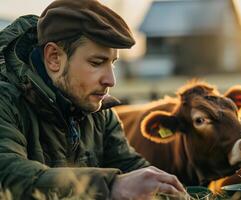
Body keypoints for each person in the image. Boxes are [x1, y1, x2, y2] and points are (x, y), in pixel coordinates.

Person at [0, 0, 186, 199]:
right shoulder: (6, 103)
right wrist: (111, 185)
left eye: (112, 63)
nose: (111, 80)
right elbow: (9, 175)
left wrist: (162, 188)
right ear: (54, 57)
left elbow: (129, 166)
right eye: (97, 62)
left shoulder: (100, 111)